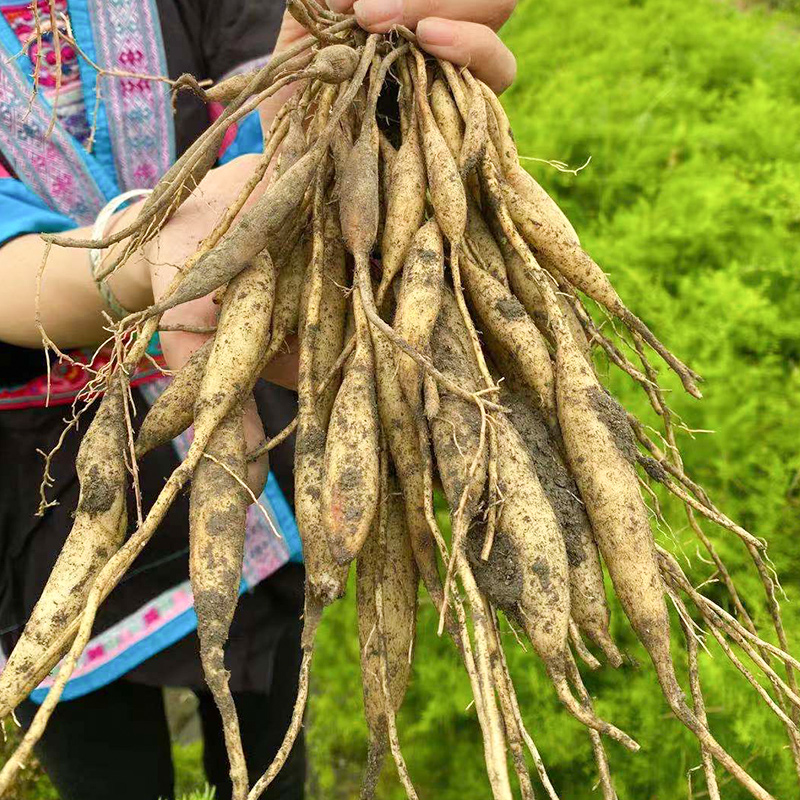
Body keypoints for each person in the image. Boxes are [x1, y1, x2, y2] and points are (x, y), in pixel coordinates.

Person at [0, 1, 517, 798]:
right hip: (41, 477)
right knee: (96, 743)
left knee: (262, 688)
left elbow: (265, 117)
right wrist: (142, 256)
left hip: (245, 420)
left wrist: (336, 107)